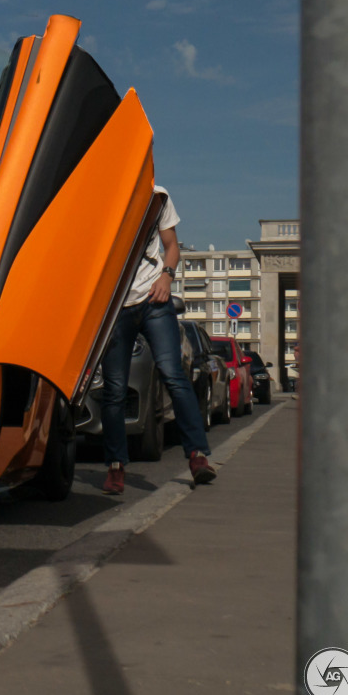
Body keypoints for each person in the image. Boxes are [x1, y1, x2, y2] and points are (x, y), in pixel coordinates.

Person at [100, 185, 216, 494]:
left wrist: (166, 276)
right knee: (114, 389)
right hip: (115, 307)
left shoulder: (158, 196)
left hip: (154, 300)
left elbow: (171, 246)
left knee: (173, 375)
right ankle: (115, 466)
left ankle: (197, 457)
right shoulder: (102, 193)